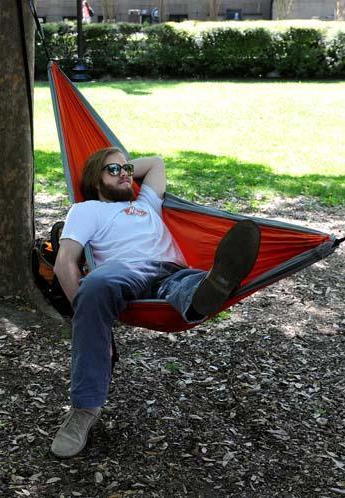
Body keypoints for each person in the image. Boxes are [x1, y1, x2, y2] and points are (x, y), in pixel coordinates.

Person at [50, 147, 261, 458]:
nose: (125, 173)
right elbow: (64, 263)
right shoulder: (86, 210)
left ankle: (209, 290)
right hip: (123, 272)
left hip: (171, 270)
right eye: (113, 170)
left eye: (127, 168)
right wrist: (91, 321)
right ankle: (83, 410)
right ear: (95, 181)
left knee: (190, 285)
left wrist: (121, 167)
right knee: (96, 285)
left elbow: (156, 163)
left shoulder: (146, 203)